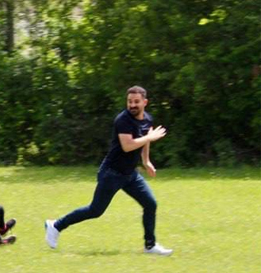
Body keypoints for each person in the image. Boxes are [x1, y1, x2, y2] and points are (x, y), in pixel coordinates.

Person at [44, 86, 173, 256]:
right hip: (111, 173)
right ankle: (56, 226)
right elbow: (127, 146)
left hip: (130, 174)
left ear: (145, 102)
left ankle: (150, 246)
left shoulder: (147, 119)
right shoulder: (123, 120)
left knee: (150, 204)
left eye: (136, 102)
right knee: (95, 210)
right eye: (129, 101)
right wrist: (149, 137)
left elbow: (144, 141)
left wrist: (146, 161)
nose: (132, 105)